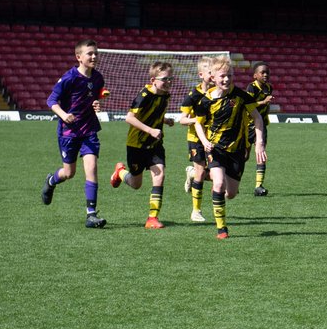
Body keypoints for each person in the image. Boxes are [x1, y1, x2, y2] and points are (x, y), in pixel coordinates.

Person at [192, 56, 267, 239]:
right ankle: (222, 229)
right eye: (222, 76)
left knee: (231, 193)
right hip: (215, 149)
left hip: (237, 151)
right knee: (218, 183)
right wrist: (204, 141)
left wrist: (259, 143)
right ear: (213, 78)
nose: (226, 79)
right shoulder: (205, 100)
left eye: (229, 76)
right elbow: (198, 124)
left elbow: (257, 118)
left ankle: (196, 176)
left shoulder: (242, 96)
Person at [41, 39, 108, 228]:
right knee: (69, 173)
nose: (94, 56)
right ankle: (51, 180)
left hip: (89, 130)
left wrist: (96, 104)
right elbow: (51, 101)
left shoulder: (98, 78)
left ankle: (91, 214)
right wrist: (64, 114)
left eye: (96, 53)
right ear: (79, 57)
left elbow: (93, 98)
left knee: (92, 167)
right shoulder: (69, 78)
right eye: (90, 53)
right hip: (69, 131)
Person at [110, 61, 176, 229]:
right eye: (165, 79)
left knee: (159, 175)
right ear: (153, 79)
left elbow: (154, 114)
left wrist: (164, 120)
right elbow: (129, 118)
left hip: (154, 144)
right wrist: (150, 130)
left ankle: (152, 218)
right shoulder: (144, 95)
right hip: (136, 144)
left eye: (171, 79)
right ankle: (120, 172)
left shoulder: (165, 94)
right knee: (135, 184)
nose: (168, 82)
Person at [178, 55, 215, 222]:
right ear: (201, 75)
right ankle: (196, 211)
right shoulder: (193, 95)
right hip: (196, 138)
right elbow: (182, 119)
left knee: (216, 175)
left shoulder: (218, 93)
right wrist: (197, 120)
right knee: (201, 173)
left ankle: (191, 173)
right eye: (210, 72)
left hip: (214, 137)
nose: (213, 75)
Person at [244, 61, 274, 197]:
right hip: (247, 125)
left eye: (267, 72)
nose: (266, 74)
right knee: (243, 156)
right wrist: (263, 102)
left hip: (260, 126)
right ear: (255, 75)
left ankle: (258, 185)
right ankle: (231, 181)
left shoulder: (269, 87)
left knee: (261, 155)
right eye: (263, 72)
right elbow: (248, 105)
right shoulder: (251, 88)